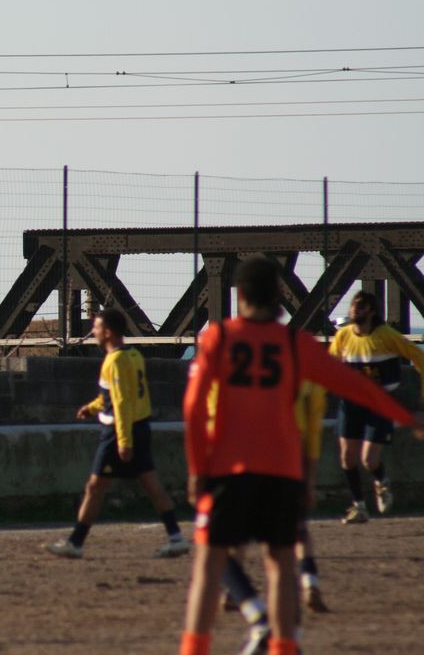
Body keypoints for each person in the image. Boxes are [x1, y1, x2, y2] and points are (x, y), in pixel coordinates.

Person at [179, 257, 422, 655]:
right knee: (280, 565)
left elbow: (192, 408)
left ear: (241, 296)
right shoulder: (296, 345)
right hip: (281, 472)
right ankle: (283, 647)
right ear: (277, 296)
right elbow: (356, 386)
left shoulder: (218, 339)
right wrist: (407, 418)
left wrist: (196, 469)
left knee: (209, 564)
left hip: (227, 470)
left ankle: (195, 648)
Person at [43, 307, 190, 560]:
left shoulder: (114, 361)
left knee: (95, 487)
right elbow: (118, 396)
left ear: (108, 332)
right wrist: (92, 408)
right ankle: (176, 537)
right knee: (152, 484)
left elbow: (121, 402)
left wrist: (123, 441)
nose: (94, 332)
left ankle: (75, 543)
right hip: (141, 426)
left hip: (118, 432)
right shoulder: (133, 355)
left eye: (97, 328)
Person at [222, 382, 329, 655]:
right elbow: (313, 424)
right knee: (286, 551)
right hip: (291, 459)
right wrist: (310, 477)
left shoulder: (238, 364)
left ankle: (253, 612)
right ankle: (307, 589)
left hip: (247, 458)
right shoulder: (302, 366)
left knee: (220, 547)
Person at [329, 291, 424, 524]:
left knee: (369, 460)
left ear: (371, 311)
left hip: (379, 403)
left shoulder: (387, 336)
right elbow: (328, 365)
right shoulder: (343, 336)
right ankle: (359, 506)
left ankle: (381, 482)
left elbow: (418, 358)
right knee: (347, 457)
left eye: (361, 307)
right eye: (354, 306)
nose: (355, 311)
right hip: (350, 403)